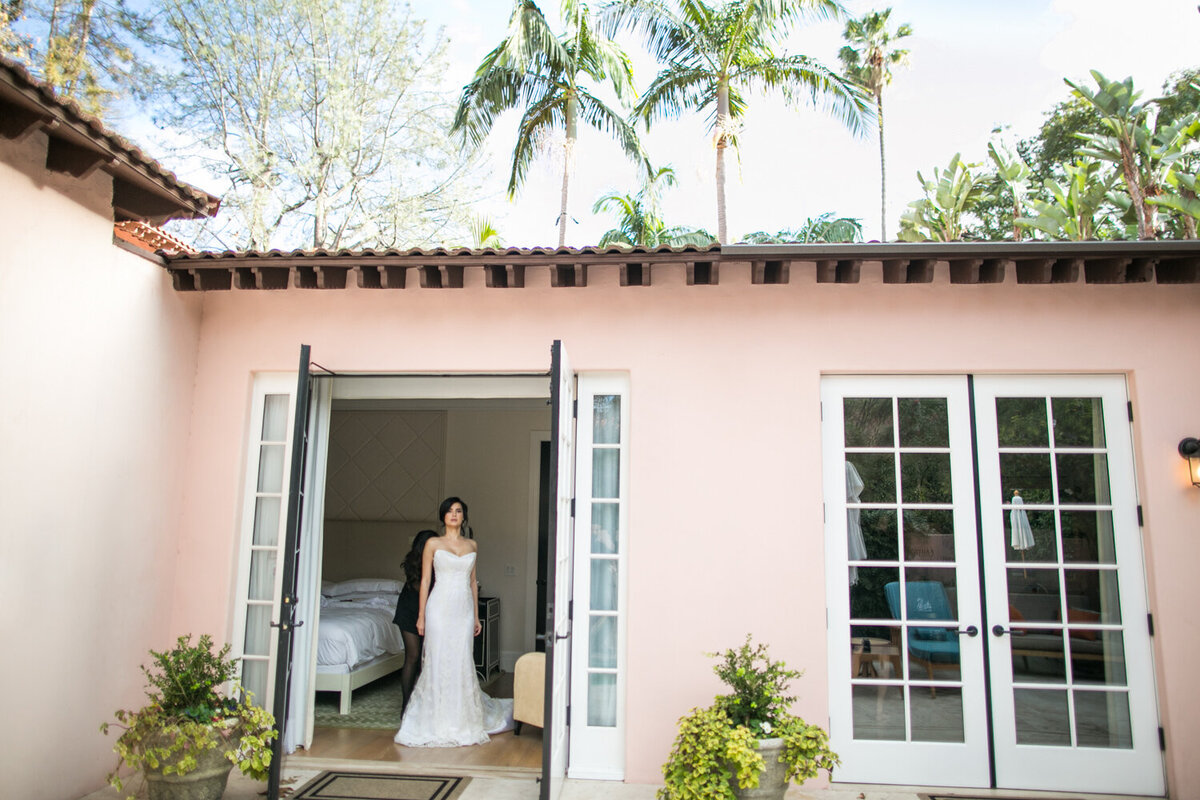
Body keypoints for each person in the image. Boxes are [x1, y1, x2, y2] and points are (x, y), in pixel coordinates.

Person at [394, 497, 513, 747]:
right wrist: (422, 616)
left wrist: (477, 617)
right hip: (439, 608)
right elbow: (426, 581)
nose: (454, 514)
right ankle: (434, 719)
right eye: (449, 511)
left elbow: (472, 582)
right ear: (442, 516)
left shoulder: (472, 545)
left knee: (460, 660)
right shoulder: (432, 544)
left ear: (464, 516)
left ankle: (461, 718)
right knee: (437, 660)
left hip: (463, 611)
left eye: (458, 511)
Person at [393, 529, 439, 714]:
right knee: (414, 656)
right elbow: (423, 588)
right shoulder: (420, 563)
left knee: (421, 658)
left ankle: (415, 704)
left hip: (420, 609)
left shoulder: (430, 561)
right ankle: (407, 705)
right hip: (411, 609)